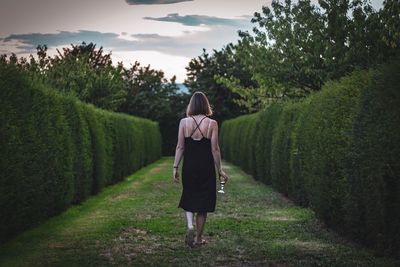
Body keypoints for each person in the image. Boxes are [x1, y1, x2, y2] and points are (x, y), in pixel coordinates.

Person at [173, 91, 229, 248]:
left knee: (189, 195)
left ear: (191, 105)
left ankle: (190, 226)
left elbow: (180, 146)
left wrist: (175, 167)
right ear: (206, 104)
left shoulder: (184, 122)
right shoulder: (212, 124)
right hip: (206, 168)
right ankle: (198, 239)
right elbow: (215, 149)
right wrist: (220, 170)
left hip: (189, 166)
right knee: (203, 204)